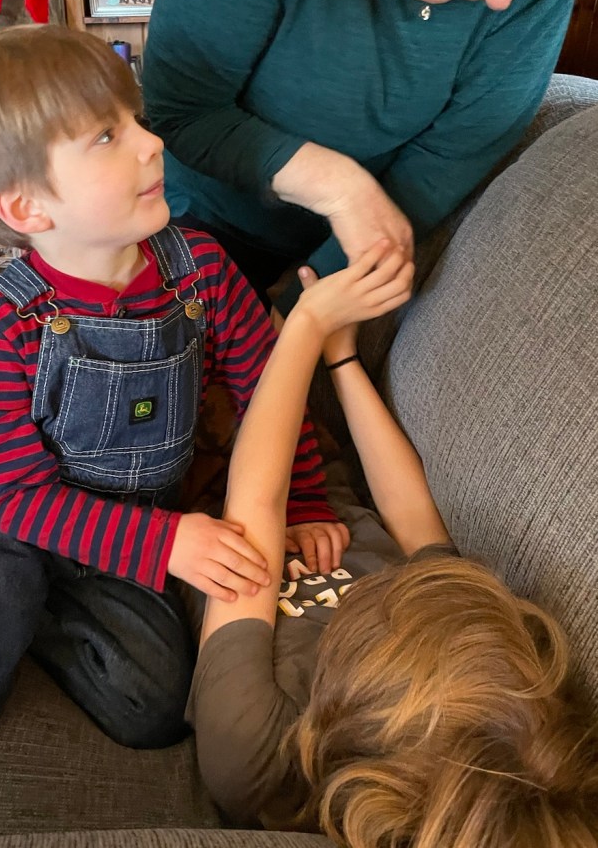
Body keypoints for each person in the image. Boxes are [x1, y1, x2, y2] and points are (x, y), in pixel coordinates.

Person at [0, 25, 348, 749]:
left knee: (154, 705)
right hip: (14, 521)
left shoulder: (202, 269)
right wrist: (165, 543)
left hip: (124, 528)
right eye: (107, 136)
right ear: (27, 209)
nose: (151, 142)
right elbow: (14, 496)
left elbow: (272, 396)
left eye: (134, 118)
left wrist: (305, 503)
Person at [188, 246, 598, 846]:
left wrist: (304, 330)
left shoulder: (257, 756)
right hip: (317, 473)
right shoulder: (497, 691)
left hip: (210, 493)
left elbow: (253, 508)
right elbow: (413, 519)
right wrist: (342, 358)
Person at [143, 0, 598, 308]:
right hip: (208, 220)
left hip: (355, 245)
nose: (502, 0)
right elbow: (183, 110)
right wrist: (342, 189)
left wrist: (314, 296)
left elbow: (449, 160)